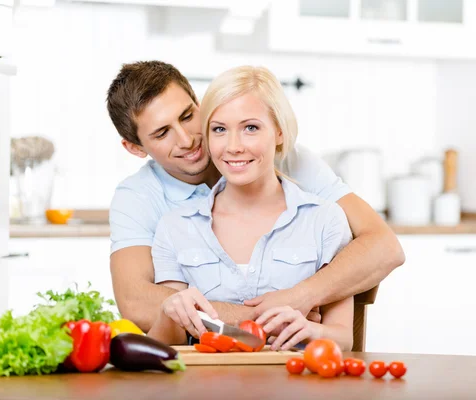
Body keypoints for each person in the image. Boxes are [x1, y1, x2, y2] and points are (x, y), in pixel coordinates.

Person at [106, 60, 405, 334]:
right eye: (162, 133)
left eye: (187, 117)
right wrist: (266, 319)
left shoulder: (287, 159)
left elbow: (384, 247)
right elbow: (136, 303)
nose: (187, 140)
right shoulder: (139, 198)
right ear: (135, 148)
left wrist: (302, 296)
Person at [148, 66, 353, 350]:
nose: (233, 146)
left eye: (251, 128)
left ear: (279, 132)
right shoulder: (176, 227)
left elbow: (343, 339)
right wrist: (168, 311)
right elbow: (168, 347)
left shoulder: (324, 220)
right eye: (219, 129)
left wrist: (310, 331)